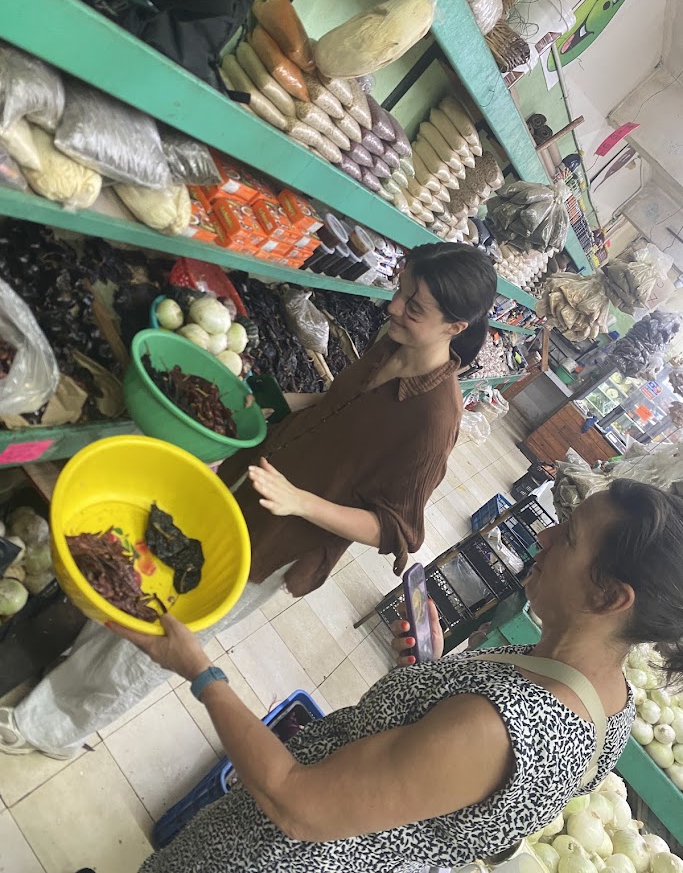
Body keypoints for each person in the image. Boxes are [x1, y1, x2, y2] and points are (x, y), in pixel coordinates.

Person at [0, 242, 498, 760]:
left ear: (454, 328)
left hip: (273, 541)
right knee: (142, 582)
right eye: (399, 291)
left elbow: (396, 530)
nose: (394, 308)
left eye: (413, 307)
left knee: (166, 635)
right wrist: (276, 402)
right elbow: (340, 405)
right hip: (242, 485)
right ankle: (64, 685)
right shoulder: (390, 343)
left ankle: (53, 728)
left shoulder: (434, 420)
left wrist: (300, 502)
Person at [99, 480, 682, 872]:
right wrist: (431, 680)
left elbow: (297, 805)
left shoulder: (506, 727)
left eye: (570, 537)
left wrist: (200, 671)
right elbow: (483, 809)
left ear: (610, 596)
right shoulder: (609, 699)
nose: (545, 535)